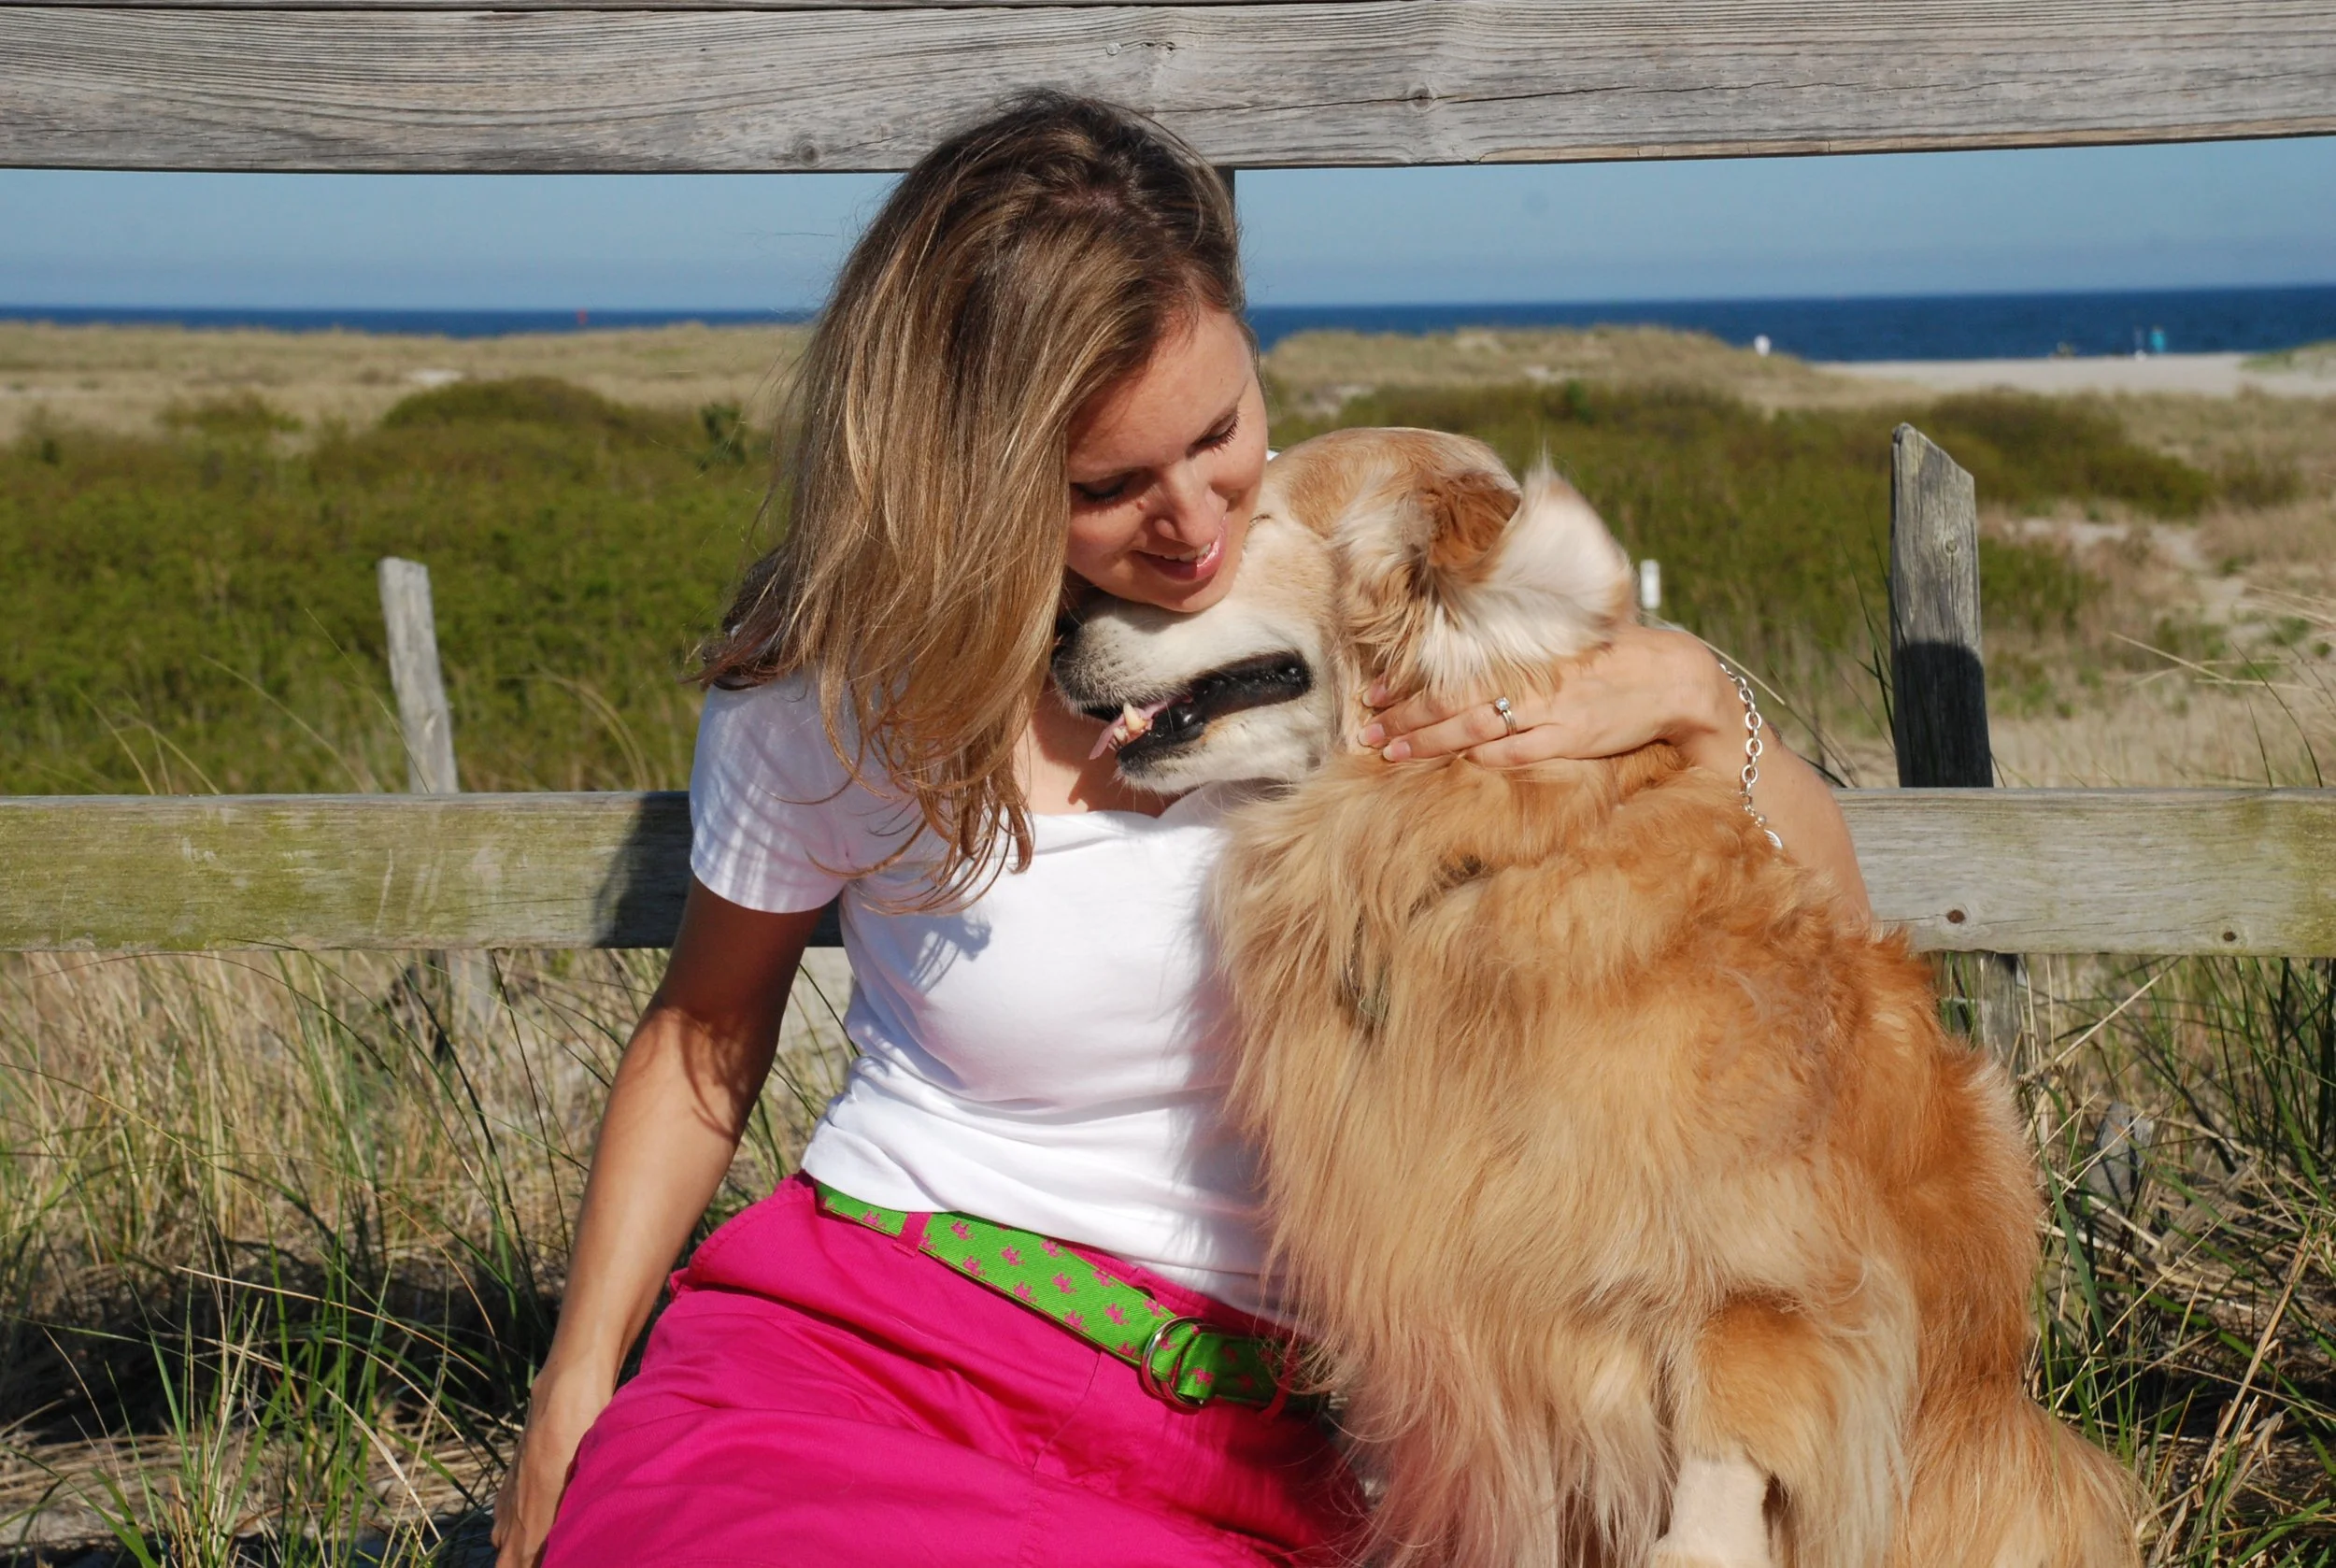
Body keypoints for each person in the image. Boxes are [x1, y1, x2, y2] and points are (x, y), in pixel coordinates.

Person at [491, 93, 1873, 1568]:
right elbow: (705, 1036)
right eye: (1104, 487)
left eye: (1223, 431)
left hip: (1273, 1435)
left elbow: (1817, 945)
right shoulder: (843, 695)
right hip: (861, 1351)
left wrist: (1708, 705)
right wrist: (575, 1388)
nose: (1196, 524)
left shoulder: (1346, 627)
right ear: (981, 477)